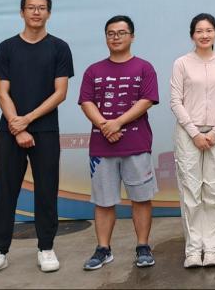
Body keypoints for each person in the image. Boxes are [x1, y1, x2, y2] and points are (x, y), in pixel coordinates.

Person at [0, 0, 73, 278]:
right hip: (10, 131)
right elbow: (2, 92)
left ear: (49, 13)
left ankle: (46, 248)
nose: (36, 12)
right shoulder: (7, 48)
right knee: (6, 191)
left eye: (42, 8)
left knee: (46, 190)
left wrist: (27, 121)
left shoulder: (59, 48)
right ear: (22, 12)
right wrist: (16, 126)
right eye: (31, 7)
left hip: (45, 129)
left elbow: (60, 93)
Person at [79, 15, 160, 271]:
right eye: (111, 33)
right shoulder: (93, 70)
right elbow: (86, 102)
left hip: (137, 145)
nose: (116, 37)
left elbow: (146, 100)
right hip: (101, 148)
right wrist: (105, 125)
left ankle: (143, 246)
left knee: (141, 199)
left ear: (132, 36)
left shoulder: (144, 68)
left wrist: (118, 123)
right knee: (103, 201)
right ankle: (103, 249)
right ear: (106, 38)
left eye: (121, 33)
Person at [170, 13, 215, 268]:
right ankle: (193, 250)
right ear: (192, 35)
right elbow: (175, 101)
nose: (204, 35)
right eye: (199, 31)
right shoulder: (181, 63)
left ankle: (213, 249)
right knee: (191, 192)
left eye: (209, 30)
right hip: (188, 133)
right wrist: (194, 132)